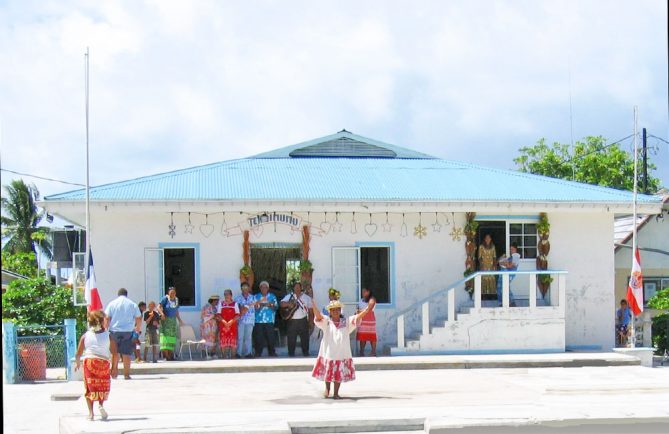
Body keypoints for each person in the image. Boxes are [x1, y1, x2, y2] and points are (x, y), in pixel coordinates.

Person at [311, 298, 373, 399]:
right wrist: (313, 306)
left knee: (338, 374)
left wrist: (367, 309)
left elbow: (357, 318)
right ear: (330, 312)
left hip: (341, 353)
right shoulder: (327, 322)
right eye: (333, 310)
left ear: (340, 311)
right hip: (329, 352)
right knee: (328, 372)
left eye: (338, 310)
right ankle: (327, 389)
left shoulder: (346, 322)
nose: (336, 312)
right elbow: (318, 317)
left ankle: (336, 393)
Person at [75, 310, 116, 421]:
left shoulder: (86, 336)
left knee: (89, 388)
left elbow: (78, 353)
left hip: (89, 362)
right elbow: (114, 353)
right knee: (101, 386)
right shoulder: (108, 336)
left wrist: (77, 363)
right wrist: (114, 368)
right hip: (103, 363)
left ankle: (91, 413)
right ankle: (101, 405)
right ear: (102, 322)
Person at [104, 288, 142, 379]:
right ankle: (126, 374)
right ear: (126, 294)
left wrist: (106, 329)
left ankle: (114, 373)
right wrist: (137, 329)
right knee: (126, 354)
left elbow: (107, 318)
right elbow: (139, 318)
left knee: (114, 353)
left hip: (114, 331)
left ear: (118, 294)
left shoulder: (112, 303)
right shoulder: (132, 304)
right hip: (128, 331)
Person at [281, 282, 313, 357]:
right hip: (292, 320)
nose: (297, 288)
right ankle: (291, 353)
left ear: (301, 288)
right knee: (291, 337)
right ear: (293, 288)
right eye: (296, 287)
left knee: (305, 337)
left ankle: (306, 352)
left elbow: (311, 311)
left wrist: (311, 321)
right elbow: (281, 304)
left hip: (303, 320)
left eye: (298, 287)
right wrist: (289, 304)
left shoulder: (306, 297)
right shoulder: (290, 296)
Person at [157, 287, 185, 361]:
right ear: (168, 292)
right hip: (165, 321)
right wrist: (162, 314)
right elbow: (158, 307)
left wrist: (180, 320)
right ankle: (166, 356)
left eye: (173, 292)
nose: (172, 294)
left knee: (171, 339)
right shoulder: (165, 299)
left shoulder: (176, 300)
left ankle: (171, 355)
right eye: (171, 292)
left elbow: (176, 311)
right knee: (165, 339)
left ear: (175, 293)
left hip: (172, 322)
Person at [253, 281, 278, 357]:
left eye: (265, 287)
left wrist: (269, 305)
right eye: (262, 287)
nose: (264, 289)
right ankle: (258, 353)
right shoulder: (256, 296)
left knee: (270, 337)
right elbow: (253, 308)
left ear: (268, 288)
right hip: (258, 320)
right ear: (260, 288)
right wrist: (261, 305)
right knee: (258, 338)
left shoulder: (272, 296)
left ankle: (272, 352)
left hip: (269, 320)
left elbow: (276, 307)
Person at [235, 282, 256, 358]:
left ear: (249, 288)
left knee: (248, 337)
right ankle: (238, 353)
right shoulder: (237, 298)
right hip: (241, 320)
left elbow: (256, 307)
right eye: (243, 288)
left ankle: (248, 353)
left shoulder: (253, 297)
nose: (245, 289)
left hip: (250, 320)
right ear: (241, 289)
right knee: (240, 337)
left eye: (246, 287)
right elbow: (238, 309)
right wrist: (243, 308)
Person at [218, 289, 240, 359]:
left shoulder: (235, 304)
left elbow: (237, 315)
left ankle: (233, 357)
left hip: (232, 325)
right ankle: (224, 356)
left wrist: (231, 322)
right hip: (223, 325)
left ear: (231, 295)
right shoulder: (221, 303)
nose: (226, 296)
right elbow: (218, 315)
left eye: (228, 294)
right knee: (223, 340)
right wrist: (224, 322)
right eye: (225, 294)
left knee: (232, 341)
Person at [356, 288, 377, 356]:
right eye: (362, 291)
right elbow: (358, 309)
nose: (363, 293)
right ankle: (361, 352)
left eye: (365, 291)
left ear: (369, 292)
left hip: (370, 319)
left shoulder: (372, 299)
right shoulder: (361, 300)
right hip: (362, 319)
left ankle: (373, 352)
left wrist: (360, 311)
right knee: (362, 336)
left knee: (372, 336)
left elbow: (369, 308)